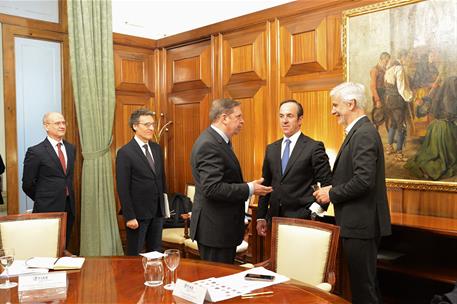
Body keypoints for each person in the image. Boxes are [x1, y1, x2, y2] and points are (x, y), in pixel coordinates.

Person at [313, 82, 391, 304]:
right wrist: (332, 189)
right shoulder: (359, 131)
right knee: (365, 285)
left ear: (351, 104)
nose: (332, 110)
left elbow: (363, 181)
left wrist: (332, 194)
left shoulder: (363, 133)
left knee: (363, 290)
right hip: (357, 223)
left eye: (336, 105)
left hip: (361, 225)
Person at [190, 98, 272, 264]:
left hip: (220, 228)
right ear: (224, 118)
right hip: (215, 230)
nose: (242, 121)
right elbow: (212, 188)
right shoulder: (209, 144)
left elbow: (222, 180)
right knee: (216, 282)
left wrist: (248, 186)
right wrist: (249, 188)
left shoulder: (218, 141)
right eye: (238, 116)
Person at [256, 99, 332, 237]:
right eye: (281, 116)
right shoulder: (271, 149)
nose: (284, 120)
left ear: (300, 119)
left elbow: (328, 183)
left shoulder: (313, 147)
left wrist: (314, 211)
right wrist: (261, 216)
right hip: (273, 220)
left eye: (289, 116)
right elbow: (265, 185)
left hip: (302, 221)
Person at [116, 108, 167, 256]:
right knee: (134, 254)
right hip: (137, 214)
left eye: (152, 124)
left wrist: (164, 208)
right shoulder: (125, 152)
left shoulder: (156, 148)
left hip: (157, 212)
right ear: (135, 126)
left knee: (155, 253)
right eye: (146, 124)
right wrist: (129, 216)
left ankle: (155, 279)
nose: (151, 128)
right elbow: (122, 187)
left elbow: (161, 180)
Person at [22, 112, 76, 247]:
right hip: (46, 208)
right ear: (46, 126)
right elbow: (27, 184)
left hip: (69, 206)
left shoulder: (71, 148)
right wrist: (43, 199)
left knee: (63, 246)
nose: (62, 126)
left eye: (64, 123)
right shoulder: (36, 151)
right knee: (46, 247)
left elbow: (67, 177)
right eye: (58, 123)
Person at [384, 51, 414, 161]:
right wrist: (410, 97)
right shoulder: (399, 69)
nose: (409, 60)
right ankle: (399, 153)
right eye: (407, 58)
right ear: (403, 57)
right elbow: (402, 89)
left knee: (393, 124)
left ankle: (389, 147)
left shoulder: (389, 68)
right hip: (397, 101)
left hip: (388, 101)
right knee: (402, 126)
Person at [370, 52, 391, 130]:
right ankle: (375, 132)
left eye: (388, 61)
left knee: (386, 113)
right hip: (378, 94)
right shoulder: (375, 70)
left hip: (385, 93)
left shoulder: (385, 69)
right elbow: (372, 86)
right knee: (377, 115)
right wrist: (377, 100)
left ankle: (388, 131)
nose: (387, 62)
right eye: (386, 61)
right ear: (381, 60)